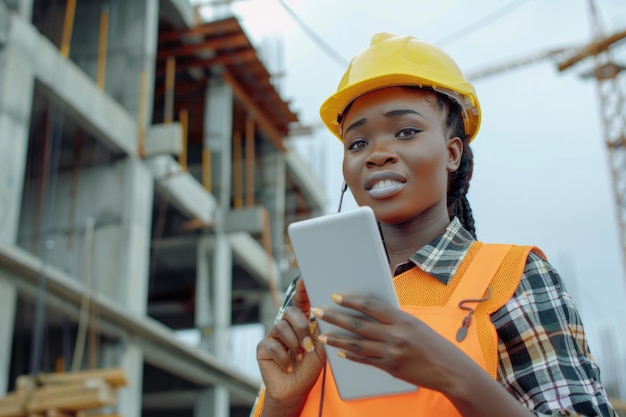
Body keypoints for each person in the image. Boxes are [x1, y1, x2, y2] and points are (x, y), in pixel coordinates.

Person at [250, 33, 617, 417]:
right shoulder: (312, 292)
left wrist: (452, 373)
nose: (377, 154)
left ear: (452, 153)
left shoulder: (511, 277)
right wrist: (280, 403)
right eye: (357, 143)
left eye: (406, 131)